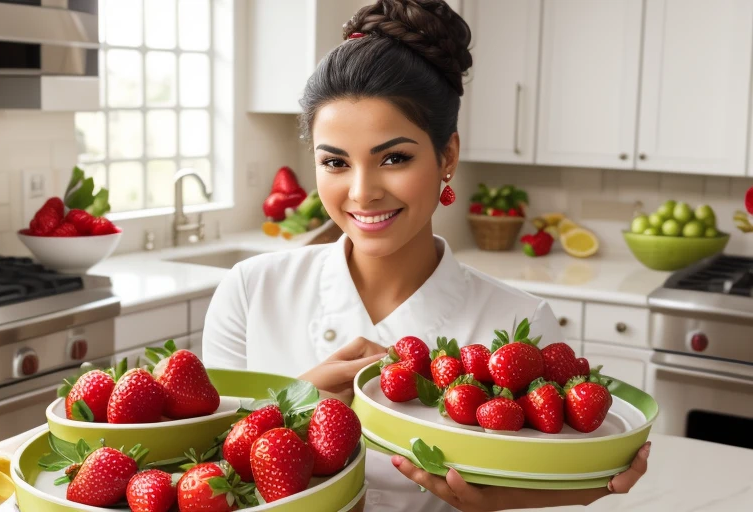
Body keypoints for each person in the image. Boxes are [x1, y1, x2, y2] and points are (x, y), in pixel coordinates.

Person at [202, 1, 650, 510]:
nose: (363, 191)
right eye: (335, 162)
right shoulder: (249, 290)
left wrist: (511, 502)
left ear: (448, 157)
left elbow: (544, 473)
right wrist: (298, 402)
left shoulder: (519, 323)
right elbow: (202, 469)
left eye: (394, 158)